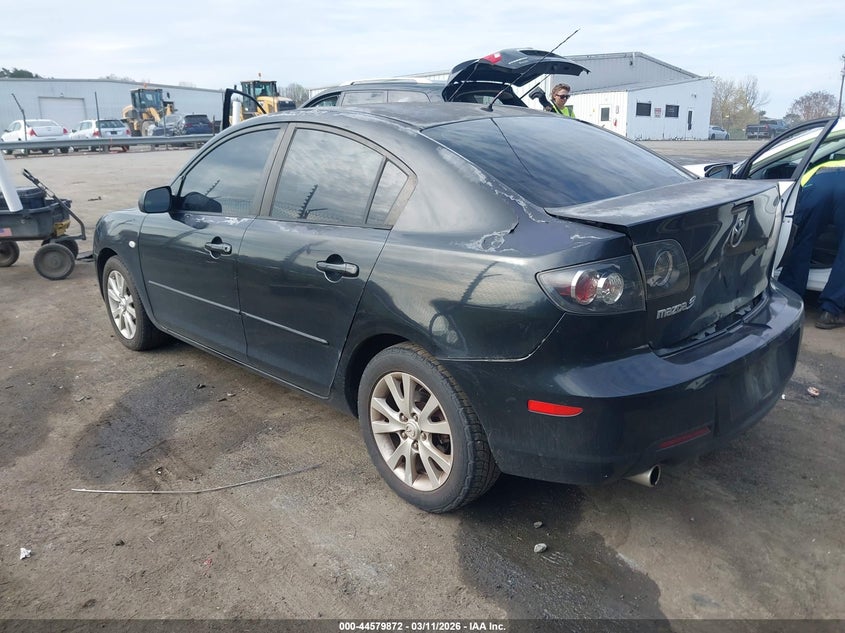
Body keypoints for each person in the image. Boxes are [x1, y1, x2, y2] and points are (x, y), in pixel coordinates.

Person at [777, 157, 845, 329]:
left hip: (817, 186)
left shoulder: (821, 164)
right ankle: (830, 311)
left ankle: (787, 304)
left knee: (801, 242)